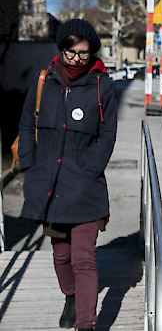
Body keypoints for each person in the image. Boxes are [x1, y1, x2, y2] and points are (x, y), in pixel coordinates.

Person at [18, 19, 117, 331]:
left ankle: (86, 323)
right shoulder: (43, 82)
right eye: (70, 53)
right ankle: (71, 296)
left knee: (84, 259)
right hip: (49, 183)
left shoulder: (103, 85)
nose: (76, 59)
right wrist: (28, 166)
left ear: (92, 53)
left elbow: (107, 134)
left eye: (83, 54)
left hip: (84, 185)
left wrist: (90, 169)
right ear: (60, 50)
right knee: (61, 255)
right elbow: (26, 125)